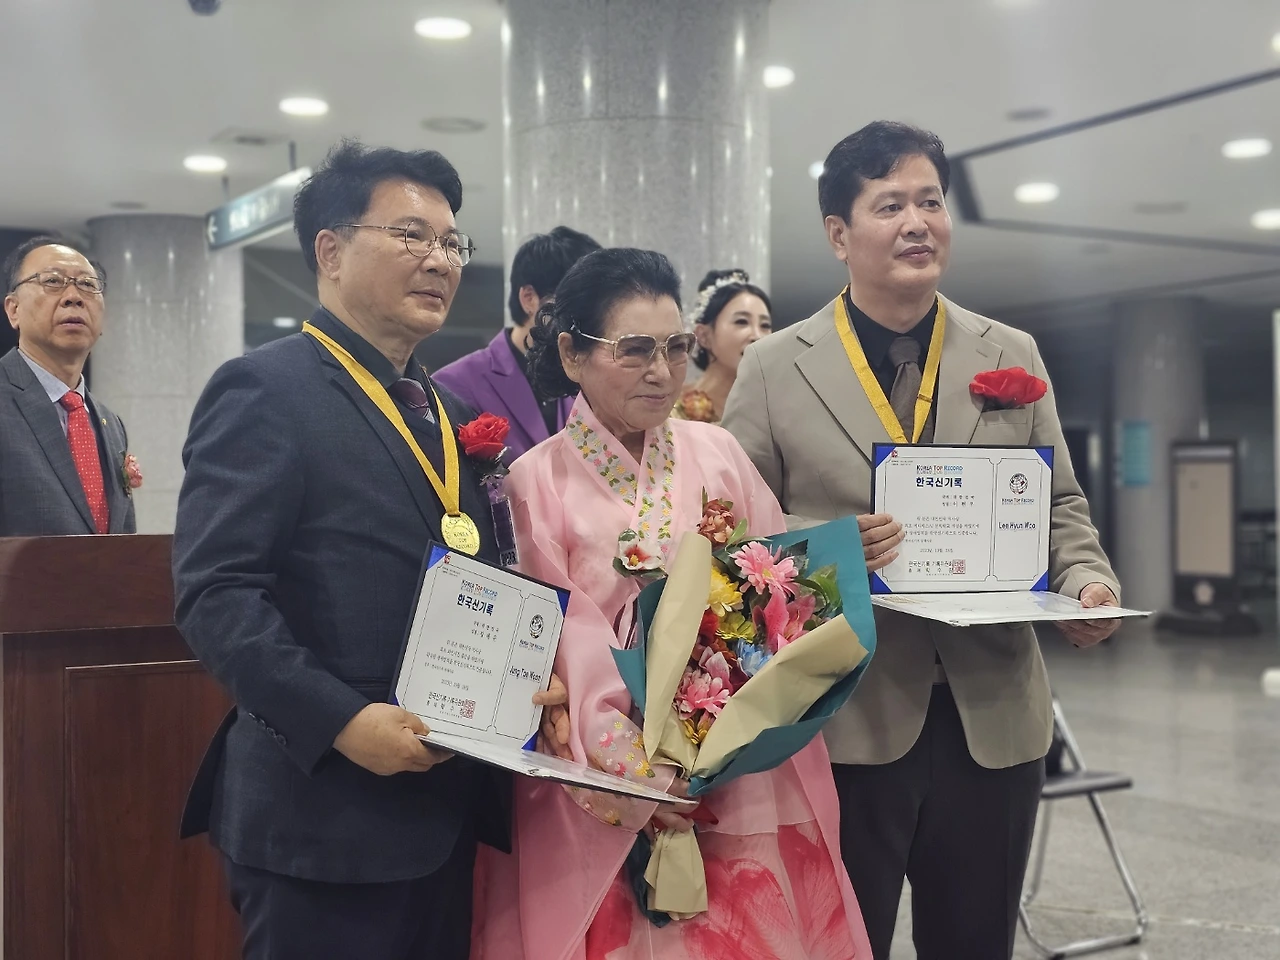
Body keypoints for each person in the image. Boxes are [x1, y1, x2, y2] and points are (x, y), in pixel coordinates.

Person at [722, 121, 1122, 960]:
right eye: (890, 205)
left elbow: (1060, 504)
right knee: (842, 943)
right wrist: (831, 546)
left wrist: (1087, 581)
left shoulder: (1011, 351)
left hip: (995, 714)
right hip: (844, 715)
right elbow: (731, 535)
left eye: (931, 202)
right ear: (839, 234)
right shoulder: (772, 367)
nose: (918, 223)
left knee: (975, 943)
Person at [172, 140, 565, 960]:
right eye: (411, 235)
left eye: (452, 243)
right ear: (330, 250)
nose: (440, 261)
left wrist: (522, 677)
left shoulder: (446, 409)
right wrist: (343, 721)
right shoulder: (265, 388)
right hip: (323, 814)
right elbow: (218, 594)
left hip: (445, 806)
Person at [471, 247, 872, 960]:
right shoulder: (534, 481)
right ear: (571, 353)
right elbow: (561, 636)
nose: (661, 371)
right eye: (634, 350)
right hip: (599, 767)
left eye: (676, 348)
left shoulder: (719, 452)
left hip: (735, 761)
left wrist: (724, 733)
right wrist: (646, 773)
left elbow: (780, 596)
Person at [1, 236, 137, 536]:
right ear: (13, 310)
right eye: (52, 281)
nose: (73, 297)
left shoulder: (110, 423)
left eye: (88, 285)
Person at [434, 226, 601, 460]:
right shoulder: (453, 386)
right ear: (529, 298)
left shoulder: (584, 377)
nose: (585, 321)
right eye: (574, 306)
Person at [671, 269, 772, 424]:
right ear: (704, 336)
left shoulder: (771, 409)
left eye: (765, 325)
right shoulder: (671, 409)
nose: (757, 336)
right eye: (742, 322)